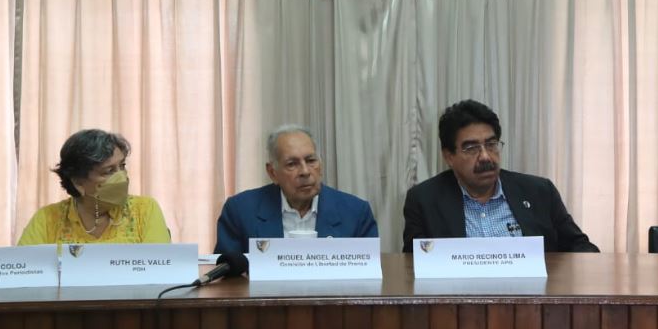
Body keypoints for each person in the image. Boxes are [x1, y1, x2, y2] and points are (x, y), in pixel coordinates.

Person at [402, 100, 597, 252]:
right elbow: (412, 269)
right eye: (471, 148)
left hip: (533, 300)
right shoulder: (424, 201)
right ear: (449, 156)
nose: (485, 156)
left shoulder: (539, 192)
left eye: (491, 144)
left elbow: (581, 249)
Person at [214, 124, 378, 254]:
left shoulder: (356, 213)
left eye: (311, 160)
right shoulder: (240, 211)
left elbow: (369, 278)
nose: (305, 171)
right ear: (273, 173)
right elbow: (226, 279)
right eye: (292, 164)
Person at [17, 129, 171, 245]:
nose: (122, 177)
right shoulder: (47, 219)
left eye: (122, 166)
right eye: (109, 171)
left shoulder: (144, 210)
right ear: (78, 182)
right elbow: (24, 276)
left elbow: (161, 273)